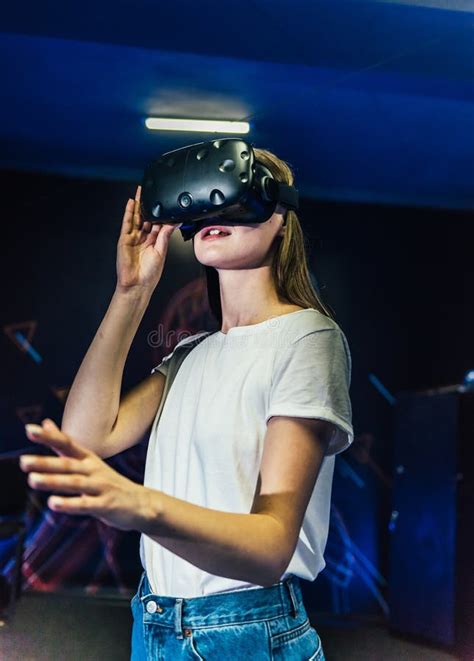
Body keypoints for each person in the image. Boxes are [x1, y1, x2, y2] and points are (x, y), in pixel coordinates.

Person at [20, 146, 353, 660]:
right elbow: (87, 436)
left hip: (246, 632)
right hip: (154, 620)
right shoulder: (189, 354)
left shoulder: (308, 338)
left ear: (281, 218)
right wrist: (131, 292)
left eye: (234, 198)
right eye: (203, 206)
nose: (213, 216)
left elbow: (270, 547)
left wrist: (138, 505)